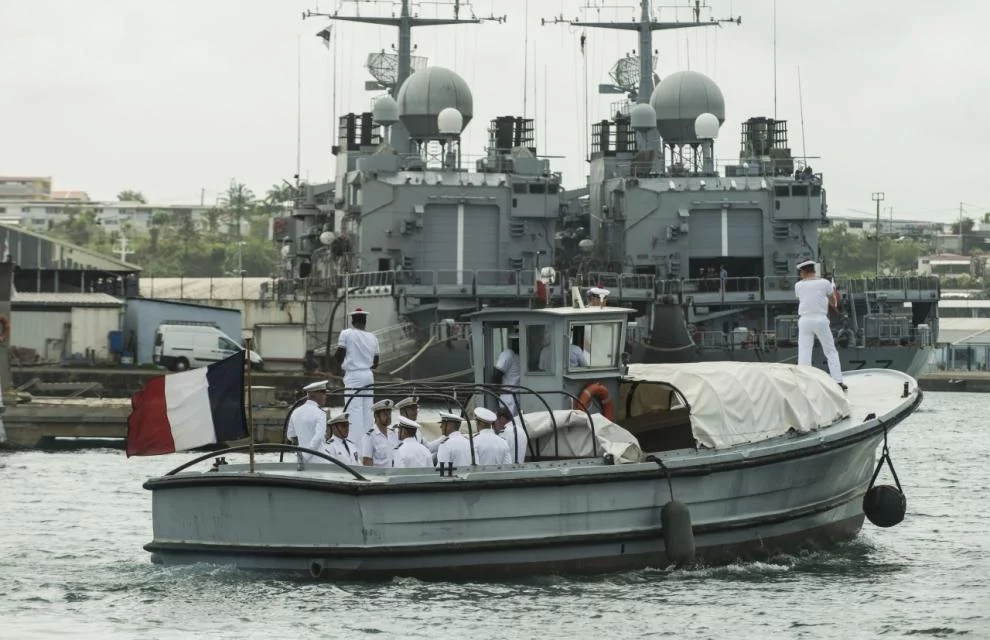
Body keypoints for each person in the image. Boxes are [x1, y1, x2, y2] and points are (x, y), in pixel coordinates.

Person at [794, 259, 846, 390]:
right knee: (830, 351)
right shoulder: (825, 283)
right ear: (813, 270)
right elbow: (833, 299)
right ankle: (838, 381)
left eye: (800, 272)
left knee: (804, 351)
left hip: (805, 320)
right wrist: (832, 303)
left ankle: (804, 382)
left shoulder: (798, 285)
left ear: (804, 272)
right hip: (820, 319)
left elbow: (802, 298)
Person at [334, 308, 380, 437]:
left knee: (354, 410)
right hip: (369, 375)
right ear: (365, 322)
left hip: (354, 375)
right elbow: (376, 363)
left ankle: (356, 445)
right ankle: (367, 445)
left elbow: (339, 355)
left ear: (352, 320)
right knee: (367, 411)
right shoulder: (373, 337)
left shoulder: (346, 334)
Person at [286, 380, 329, 464]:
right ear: (316, 395)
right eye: (323, 393)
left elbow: (291, 436)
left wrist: (301, 454)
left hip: (299, 460)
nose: (325, 396)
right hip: (319, 460)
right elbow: (319, 438)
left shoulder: (296, 411)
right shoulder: (320, 413)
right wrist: (306, 456)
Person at [360, 398, 398, 467]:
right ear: (376, 416)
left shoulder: (393, 434)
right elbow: (367, 462)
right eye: (385, 414)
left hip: (393, 474)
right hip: (379, 476)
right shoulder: (369, 437)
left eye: (389, 414)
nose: (388, 417)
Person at [492, 329, 521, 416]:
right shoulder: (508, 354)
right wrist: (497, 392)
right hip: (508, 397)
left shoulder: (522, 356)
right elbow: (497, 374)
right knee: (507, 424)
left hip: (519, 396)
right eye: (516, 341)